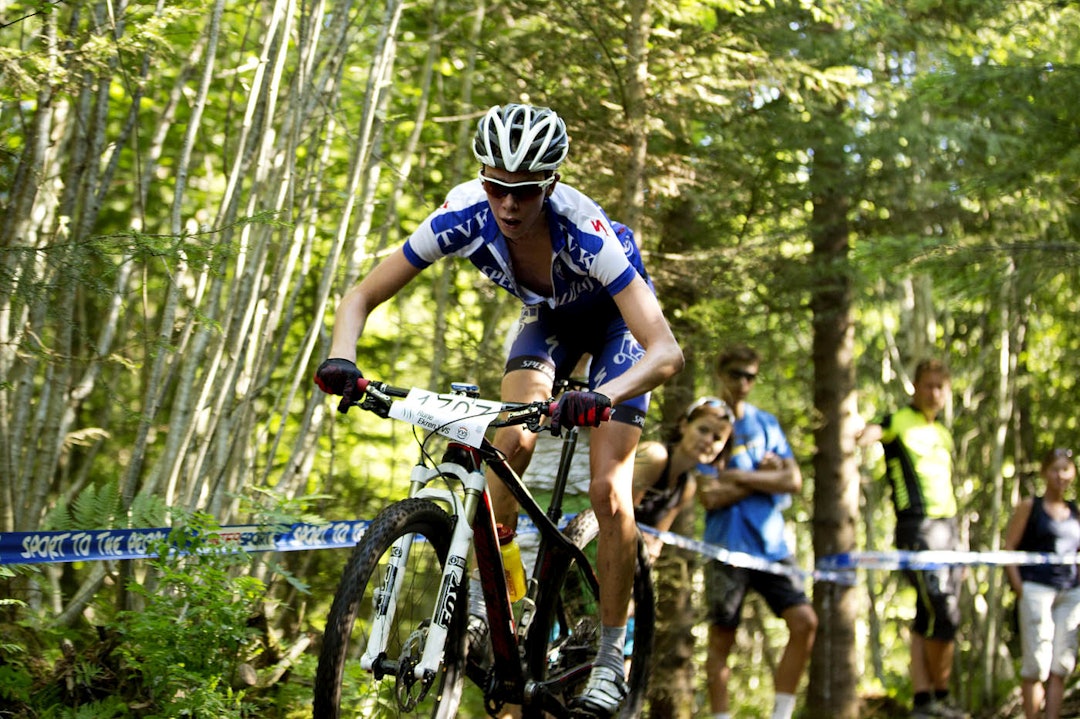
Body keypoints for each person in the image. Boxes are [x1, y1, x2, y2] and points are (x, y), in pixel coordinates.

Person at [313, 103, 684, 717]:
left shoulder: (587, 232)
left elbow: (666, 350)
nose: (509, 204)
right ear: (482, 179)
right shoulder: (462, 213)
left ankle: (611, 657)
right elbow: (361, 296)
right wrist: (342, 360)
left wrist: (604, 395)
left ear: (551, 185)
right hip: (548, 320)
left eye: (526, 191)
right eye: (496, 187)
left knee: (607, 490)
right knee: (507, 441)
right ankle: (498, 605)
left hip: (620, 330)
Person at [696, 345, 818, 719]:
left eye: (750, 376)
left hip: (772, 547)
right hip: (726, 547)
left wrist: (739, 477)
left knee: (805, 622)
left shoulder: (766, 423)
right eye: (736, 374)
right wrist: (764, 478)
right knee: (722, 637)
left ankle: (781, 714)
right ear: (721, 374)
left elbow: (793, 480)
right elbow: (709, 496)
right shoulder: (707, 425)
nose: (743, 383)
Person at [857, 358, 968, 719]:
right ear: (916, 387)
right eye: (928, 385)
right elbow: (869, 433)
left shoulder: (943, 434)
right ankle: (941, 696)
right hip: (917, 528)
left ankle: (923, 700)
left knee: (926, 613)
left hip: (948, 530)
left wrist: (959, 544)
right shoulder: (897, 421)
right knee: (943, 611)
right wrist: (858, 431)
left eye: (940, 386)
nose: (934, 393)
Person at [1004, 448, 1080, 719]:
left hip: (1070, 593)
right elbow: (1009, 548)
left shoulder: (1075, 512)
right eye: (1055, 469)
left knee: (1061, 664)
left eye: (1066, 469)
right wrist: (1020, 588)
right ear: (1045, 472)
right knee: (1037, 664)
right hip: (1036, 590)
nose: (1061, 475)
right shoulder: (1030, 507)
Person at [633, 395, 735, 560]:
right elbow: (617, 515)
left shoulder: (687, 486)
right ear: (684, 426)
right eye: (703, 430)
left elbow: (656, 540)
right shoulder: (654, 455)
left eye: (717, 438)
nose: (708, 441)